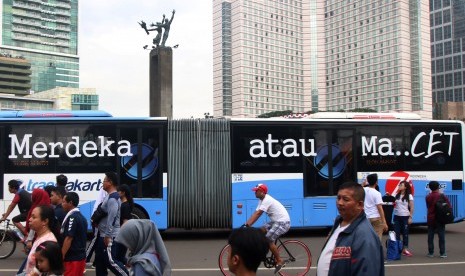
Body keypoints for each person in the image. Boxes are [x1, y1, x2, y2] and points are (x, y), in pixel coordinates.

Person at [316, 182, 384, 276]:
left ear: (360, 205)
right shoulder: (339, 223)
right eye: (338, 198)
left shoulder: (365, 236)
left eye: (346, 199)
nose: (340, 202)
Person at [245, 183, 290, 273]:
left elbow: (258, 214)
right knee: (260, 231)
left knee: (268, 239)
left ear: (262, 192)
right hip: (276, 222)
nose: (255, 193)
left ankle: (280, 261)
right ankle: (263, 252)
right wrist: (247, 224)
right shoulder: (261, 200)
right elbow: (255, 213)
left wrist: (247, 225)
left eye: (256, 191)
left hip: (283, 222)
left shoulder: (267, 199)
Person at [94, 172, 128, 276]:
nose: (102, 183)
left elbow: (112, 218)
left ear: (110, 183)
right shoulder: (109, 196)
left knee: (110, 261)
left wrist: (108, 235)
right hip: (102, 233)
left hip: (108, 235)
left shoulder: (113, 198)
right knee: (100, 262)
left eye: (104, 181)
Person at [24, 205, 60, 275]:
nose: (29, 219)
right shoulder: (39, 237)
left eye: (34, 217)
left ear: (45, 221)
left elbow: (46, 270)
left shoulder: (48, 241)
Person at [61, 192, 88, 276]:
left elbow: (69, 238)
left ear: (70, 203)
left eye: (64, 202)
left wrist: (61, 255)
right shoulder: (82, 217)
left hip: (73, 259)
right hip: (80, 257)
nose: (62, 204)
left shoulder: (72, 217)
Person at [425, 181, 451, 258]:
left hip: (431, 218)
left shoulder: (428, 197)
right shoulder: (442, 196)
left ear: (430, 187)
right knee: (441, 236)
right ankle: (442, 253)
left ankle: (431, 252)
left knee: (430, 236)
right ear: (438, 187)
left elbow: (428, 207)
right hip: (440, 218)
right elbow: (448, 206)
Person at [363, 173, 388, 241]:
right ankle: (375, 251)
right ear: (376, 182)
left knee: (367, 238)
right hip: (376, 218)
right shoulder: (377, 193)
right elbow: (380, 208)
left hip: (366, 217)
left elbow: (357, 188)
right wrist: (384, 222)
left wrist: (363, 184)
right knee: (377, 239)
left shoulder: (363, 190)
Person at [393, 180, 414, 256]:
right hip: (397, 216)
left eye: (401, 185)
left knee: (405, 233)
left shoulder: (409, 196)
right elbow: (394, 204)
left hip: (405, 216)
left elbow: (411, 207)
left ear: (405, 187)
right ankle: (398, 248)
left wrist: (410, 217)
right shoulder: (397, 195)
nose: (399, 186)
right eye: (399, 185)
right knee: (396, 233)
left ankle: (405, 249)